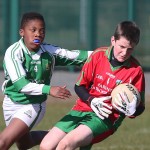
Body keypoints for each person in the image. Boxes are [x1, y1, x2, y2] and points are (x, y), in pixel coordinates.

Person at [40, 21, 145, 150]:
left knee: (65, 144)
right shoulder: (98, 55)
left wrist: (130, 106)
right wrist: (92, 101)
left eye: (130, 49)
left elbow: (140, 107)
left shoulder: (136, 71)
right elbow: (79, 86)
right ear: (113, 40)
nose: (124, 52)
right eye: (122, 47)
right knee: (46, 146)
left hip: (105, 117)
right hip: (81, 108)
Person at [0, 12, 92, 150]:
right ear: (22, 32)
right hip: (10, 103)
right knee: (25, 143)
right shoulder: (13, 53)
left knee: (2, 142)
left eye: (42, 31)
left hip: (32, 105)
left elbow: (76, 56)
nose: (38, 34)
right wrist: (50, 89)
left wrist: (107, 52)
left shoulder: (49, 52)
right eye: (33, 30)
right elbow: (21, 85)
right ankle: (61, 136)